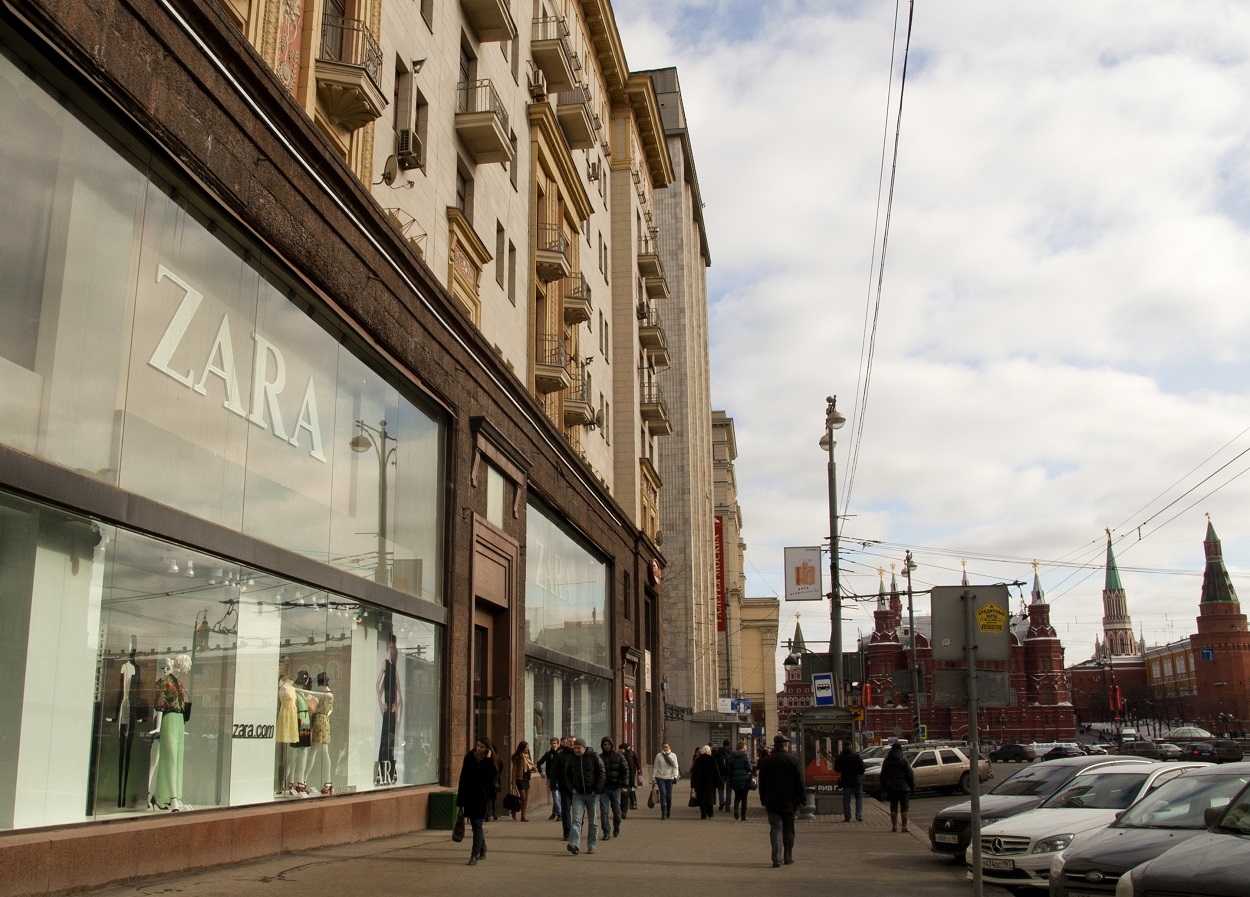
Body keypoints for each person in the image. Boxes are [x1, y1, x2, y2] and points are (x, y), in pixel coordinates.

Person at [150, 654, 191, 812]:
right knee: (171, 758)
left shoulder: (177, 682)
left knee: (176, 759)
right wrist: (159, 726)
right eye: (187, 666)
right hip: (169, 719)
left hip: (178, 721)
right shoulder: (166, 682)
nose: (188, 669)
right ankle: (173, 799)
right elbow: (160, 704)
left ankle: (164, 797)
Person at [757, 735, 804, 867]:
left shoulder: (766, 761)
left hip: (772, 801)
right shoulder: (793, 761)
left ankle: (776, 858)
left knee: (776, 828)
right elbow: (799, 782)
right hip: (789, 802)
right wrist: (802, 799)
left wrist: (763, 799)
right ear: (785, 745)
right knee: (789, 829)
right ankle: (788, 856)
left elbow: (762, 783)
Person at [563, 737, 604, 855]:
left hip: (592, 795)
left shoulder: (594, 756)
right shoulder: (571, 758)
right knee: (576, 820)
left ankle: (591, 846)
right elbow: (567, 774)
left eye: (578, 748)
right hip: (578, 795)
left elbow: (602, 772)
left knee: (593, 822)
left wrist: (597, 789)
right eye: (575, 748)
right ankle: (574, 844)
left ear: (584, 748)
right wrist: (572, 788)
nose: (576, 750)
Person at [457, 738, 495, 865]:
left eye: (482, 747)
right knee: (475, 825)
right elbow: (463, 778)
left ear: (487, 749)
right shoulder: (469, 757)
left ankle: (474, 855)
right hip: (470, 796)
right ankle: (482, 848)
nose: (479, 748)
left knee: (477, 825)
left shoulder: (489, 760)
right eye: (478, 746)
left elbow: (491, 776)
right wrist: (460, 801)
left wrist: (489, 760)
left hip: (483, 798)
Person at [375, 635, 401, 785]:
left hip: (392, 709)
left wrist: (396, 704)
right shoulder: (385, 664)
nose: (392, 650)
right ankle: (382, 773)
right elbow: (377, 685)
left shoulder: (395, 667)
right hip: (387, 708)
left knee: (390, 739)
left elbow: (398, 691)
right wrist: (381, 703)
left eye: (393, 647)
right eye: (390, 647)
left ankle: (389, 774)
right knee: (385, 738)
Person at [880, 740, 915, 833]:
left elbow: (883, 775)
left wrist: (883, 788)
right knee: (904, 807)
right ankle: (904, 827)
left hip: (892, 787)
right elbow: (910, 775)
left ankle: (894, 826)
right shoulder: (903, 760)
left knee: (893, 806)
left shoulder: (887, 760)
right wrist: (912, 787)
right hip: (904, 787)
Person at [598, 737, 626, 839]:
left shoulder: (619, 756)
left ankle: (616, 825)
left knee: (617, 812)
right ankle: (606, 831)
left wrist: (625, 785)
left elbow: (625, 771)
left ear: (612, 745)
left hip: (616, 787)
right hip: (604, 789)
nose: (607, 746)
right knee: (604, 811)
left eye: (608, 744)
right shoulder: (599, 757)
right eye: (604, 745)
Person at [834, 743, 866, 823]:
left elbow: (836, 769)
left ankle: (847, 816)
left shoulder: (840, 757)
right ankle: (858, 815)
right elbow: (862, 768)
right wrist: (858, 773)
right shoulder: (856, 756)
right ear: (851, 746)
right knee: (859, 797)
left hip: (845, 780)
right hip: (856, 779)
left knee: (846, 798)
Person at [690, 745, 722, 819]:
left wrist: (693, 784)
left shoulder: (698, 760)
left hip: (700, 783)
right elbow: (716, 772)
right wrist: (719, 782)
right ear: (708, 752)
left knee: (701, 798)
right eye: (710, 751)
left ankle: (703, 813)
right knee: (710, 798)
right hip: (710, 783)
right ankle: (710, 813)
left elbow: (694, 773)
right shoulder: (712, 759)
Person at [651, 741, 680, 819]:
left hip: (670, 778)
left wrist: (675, 776)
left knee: (668, 796)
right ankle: (663, 812)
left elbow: (675, 766)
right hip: (660, 777)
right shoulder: (659, 756)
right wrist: (653, 778)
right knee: (663, 793)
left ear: (670, 747)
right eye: (664, 747)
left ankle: (668, 810)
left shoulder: (673, 756)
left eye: (667, 747)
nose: (665, 748)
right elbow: (655, 767)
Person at [536, 737, 562, 820]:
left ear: (558, 744)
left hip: (561, 778)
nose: (553, 745)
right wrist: (541, 772)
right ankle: (559, 814)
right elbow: (539, 763)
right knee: (556, 796)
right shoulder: (548, 754)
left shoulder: (561, 753)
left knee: (558, 796)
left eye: (555, 743)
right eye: (552, 743)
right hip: (552, 778)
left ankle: (555, 813)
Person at [728, 739, 754, 820]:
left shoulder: (732, 756)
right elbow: (749, 768)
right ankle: (743, 816)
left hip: (735, 779)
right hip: (744, 780)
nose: (746, 748)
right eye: (745, 746)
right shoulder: (745, 755)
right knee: (744, 798)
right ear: (742, 747)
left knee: (737, 796)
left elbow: (730, 768)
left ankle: (735, 810)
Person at [510, 741, 536, 821]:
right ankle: (514, 810)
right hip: (519, 779)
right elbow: (514, 770)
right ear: (521, 748)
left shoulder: (528, 756)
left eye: (528, 747)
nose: (527, 749)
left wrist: (533, 768)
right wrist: (513, 783)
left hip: (526, 778)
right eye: (525, 747)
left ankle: (523, 816)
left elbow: (529, 767)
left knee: (525, 799)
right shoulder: (517, 757)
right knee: (522, 797)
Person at [619, 742, 642, 814]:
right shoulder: (618, 755)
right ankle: (622, 810)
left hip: (627, 779)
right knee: (621, 796)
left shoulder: (629, 755)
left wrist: (632, 780)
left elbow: (632, 767)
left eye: (621, 749)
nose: (620, 750)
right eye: (619, 749)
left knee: (625, 795)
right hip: (620, 778)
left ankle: (623, 811)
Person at [714, 739, 733, 812]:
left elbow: (716, 762)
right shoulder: (731, 752)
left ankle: (721, 802)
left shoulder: (719, 752)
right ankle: (727, 807)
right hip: (729, 773)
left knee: (720, 789)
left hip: (720, 773)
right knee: (729, 791)